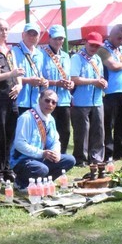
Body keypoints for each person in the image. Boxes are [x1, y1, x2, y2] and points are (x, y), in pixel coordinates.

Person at [10, 89, 76, 189]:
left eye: (53, 102)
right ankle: (21, 183)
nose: (50, 104)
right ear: (39, 99)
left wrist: (55, 153)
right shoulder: (26, 118)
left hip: (39, 158)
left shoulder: (50, 119)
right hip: (22, 160)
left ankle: (44, 182)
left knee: (70, 160)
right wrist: (42, 153)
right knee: (42, 169)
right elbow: (19, 144)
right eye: (47, 100)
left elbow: (54, 140)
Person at [0, 18, 24, 181]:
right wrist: (11, 75)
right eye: (1, 29)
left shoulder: (9, 50)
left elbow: (17, 73)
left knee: (10, 135)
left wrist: (20, 85)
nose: (4, 32)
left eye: (6, 29)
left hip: (12, 98)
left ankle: (8, 168)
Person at [98, 24, 122, 160]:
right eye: (119, 38)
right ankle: (108, 153)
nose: (121, 41)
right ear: (111, 35)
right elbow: (112, 66)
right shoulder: (103, 49)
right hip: (110, 91)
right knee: (109, 124)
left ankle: (120, 152)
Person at [70, 31, 107, 166]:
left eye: (97, 46)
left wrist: (103, 82)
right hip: (81, 101)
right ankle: (81, 158)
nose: (94, 49)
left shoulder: (97, 59)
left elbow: (100, 77)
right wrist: (93, 82)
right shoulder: (76, 58)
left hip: (97, 100)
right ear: (86, 43)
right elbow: (74, 79)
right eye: (92, 45)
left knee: (98, 130)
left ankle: (96, 157)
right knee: (82, 132)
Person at [41, 25, 74, 153]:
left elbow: (69, 76)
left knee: (65, 131)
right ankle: (47, 156)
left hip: (64, 99)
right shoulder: (42, 55)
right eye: (55, 38)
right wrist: (55, 83)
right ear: (49, 38)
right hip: (47, 100)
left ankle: (62, 156)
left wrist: (71, 84)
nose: (58, 42)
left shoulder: (66, 56)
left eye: (61, 39)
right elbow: (40, 79)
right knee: (47, 130)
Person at [13, 22, 49, 114]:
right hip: (19, 102)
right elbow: (10, 76)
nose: (31, 37)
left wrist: (44, 81)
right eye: (29, 34)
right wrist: (27, 80)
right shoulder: (13, 51)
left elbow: (39, 73)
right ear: (23, 35)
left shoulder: (40, 54)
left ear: (38, 36)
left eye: (35, 34)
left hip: (35, 102)